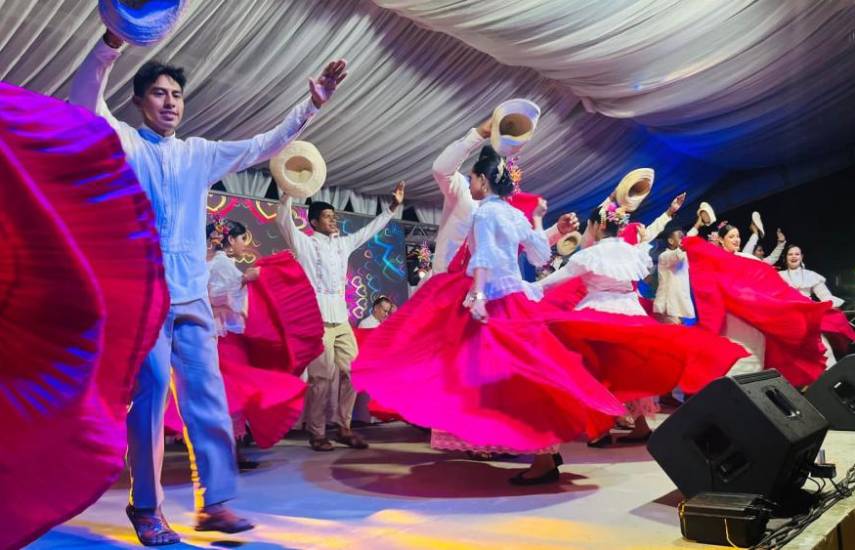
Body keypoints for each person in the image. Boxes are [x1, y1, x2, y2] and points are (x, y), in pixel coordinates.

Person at [69, 27, 346, 545]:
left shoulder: (199, 152)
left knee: (209, 400)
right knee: (150, 400)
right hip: (146, 298)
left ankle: (214, 504)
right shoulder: (125, 141)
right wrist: (111, 42)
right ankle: (146, 507)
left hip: (193, 297)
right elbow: (84, 101)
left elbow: (264, 146)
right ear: (140, 101)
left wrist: (310, 106)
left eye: (176, 94)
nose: (170, 102)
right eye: (159, 93)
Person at [352, 145, 626, 485]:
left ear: (483, 180)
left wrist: (479, 297)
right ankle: (543, 449)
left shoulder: (484, 214)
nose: (470, 184)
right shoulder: (514, 215)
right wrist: (539, 219)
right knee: (525, 374)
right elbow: (540, 255)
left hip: (494, 299)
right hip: (516, 299)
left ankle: (538, 453)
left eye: (472, 178)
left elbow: (482, 258)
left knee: (489, 375)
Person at [538, 203, 746, 446]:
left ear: (597, 225)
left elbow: (553, 281)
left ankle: (600, 430)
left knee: (594, 370)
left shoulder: (590, 255)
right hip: (632, 314)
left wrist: (522, 288)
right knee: (631, 370)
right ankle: (639, 426)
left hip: (598, 316)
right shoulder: (633, 252)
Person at [276, 182, 405, 452]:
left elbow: (369, 230)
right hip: (317, 322)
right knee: (321, 379)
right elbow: (283, 221)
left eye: (334, 216)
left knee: (354, 372)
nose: (333, 220)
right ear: (314, 222)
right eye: (327, 216)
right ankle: (317, 433)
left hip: (341, 321)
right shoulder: (305, 243)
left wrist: (391, 208)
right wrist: (288, 191)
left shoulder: (343, 244)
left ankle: (344, 427)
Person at [684, 226, 829, 387]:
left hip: (752, 318)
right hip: (729, 319)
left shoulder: (747, 258)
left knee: (754, 361)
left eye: (738, 236)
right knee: (729, 360)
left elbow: (766, 278)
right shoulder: (714, 260)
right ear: (721, 239)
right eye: (731, 236)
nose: (736, 240)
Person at [779, 244, 854, 366]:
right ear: (785, 257)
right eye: (790, 254)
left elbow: (825, 295)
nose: (794, 256)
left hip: (808, 315)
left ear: (802, 257)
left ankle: (830, 375)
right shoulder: (778, 275)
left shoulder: (810, 275)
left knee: (822, 348)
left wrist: (830, 304)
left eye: (797, 254)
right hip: (787, 316)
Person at [653, 226, 695, 324]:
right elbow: (676, 255)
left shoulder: (683, 256)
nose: (683, 239)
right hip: (667, 306)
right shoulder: (664, 256)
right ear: (671, 241)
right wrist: (696, 226)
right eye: (680, 237)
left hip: (679, 304)